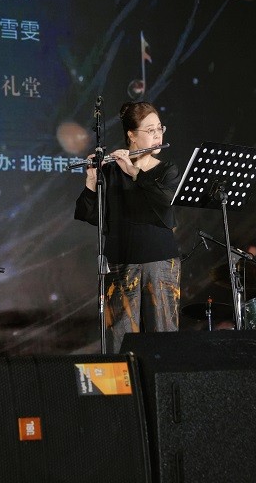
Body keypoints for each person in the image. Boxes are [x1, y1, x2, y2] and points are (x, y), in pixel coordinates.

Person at [74, 101, 181, 353]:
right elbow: (91, 215)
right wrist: (92, 181)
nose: (158, 135)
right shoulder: (111, 171)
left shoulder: (167, 170)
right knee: (121, 341)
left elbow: (165, 202)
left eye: (160, 128)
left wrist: (134, 172)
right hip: (121, 263)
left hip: (160, 262)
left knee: (164, 339)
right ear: (131, 135)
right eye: (150, 130)